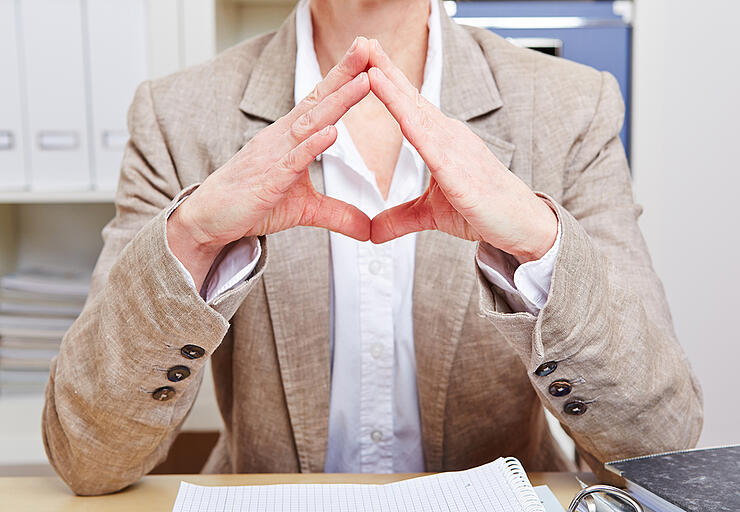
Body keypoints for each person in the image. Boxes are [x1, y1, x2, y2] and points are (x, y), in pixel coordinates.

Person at [42, 0, 702, 496]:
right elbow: (86, 459)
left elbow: (660, 447)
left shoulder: (569, 106)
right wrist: (190, 240)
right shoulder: (178, 113)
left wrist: (537, 242)